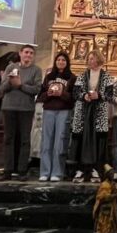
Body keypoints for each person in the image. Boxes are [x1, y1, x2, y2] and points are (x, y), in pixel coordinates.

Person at [69, 50, 115, 183]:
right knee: (81, 138)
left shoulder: (106, 76)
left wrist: (99, 96)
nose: (90, 61)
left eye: (92, 59)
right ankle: (80, 169)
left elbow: (110, 95)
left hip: (99, 113)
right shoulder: (82, 75)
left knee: (98, 140)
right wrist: (84, 96)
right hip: (83, 111)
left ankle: (96, 170)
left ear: (99, 60)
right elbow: (75, 92)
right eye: (89, 59)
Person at [0, 45, 42, 180]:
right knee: (8, 139)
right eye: (26, 52)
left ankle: (22, 170)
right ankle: (8, 170)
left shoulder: (36, 70)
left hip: (26, 108)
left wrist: (20, 85)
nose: (28, 55)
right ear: (20, 54)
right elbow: (2, 88)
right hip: (9, 107)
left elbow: (36, 89)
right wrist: (11, 82)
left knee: (25, 139)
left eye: (31, 53)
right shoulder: (11, 68)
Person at [38, 51, 74, 182]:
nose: (61, 62)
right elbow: (40, 96)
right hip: (49, 110)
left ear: (67, 62)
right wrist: (48, 93)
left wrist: (62, 94)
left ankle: (57, 172)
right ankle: (45, 171)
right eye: (58, 60)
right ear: (55, 61)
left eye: (63, 60)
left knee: (60, 142)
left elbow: (73, 99)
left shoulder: (71, 77)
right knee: (46, 142)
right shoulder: (48, 77)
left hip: (63, 111)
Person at [92, 165, 117, 233]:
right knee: (105, 222)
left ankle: (114, 230)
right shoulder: (104, 185)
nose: (112, 175)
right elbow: (103, 197)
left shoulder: (113, 183)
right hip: (105, 206)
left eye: (113, 174)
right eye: (111, 174)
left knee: (114, 220)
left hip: (113, 206)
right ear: (107, 175)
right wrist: (116, 195)